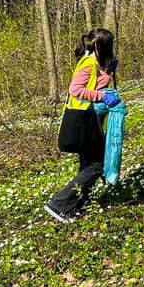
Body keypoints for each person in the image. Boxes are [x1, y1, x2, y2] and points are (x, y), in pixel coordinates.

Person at [45, 28, 120, 222]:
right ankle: (59, 204)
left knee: (87, 165)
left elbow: (94, 83)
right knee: (97, 165)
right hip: (83, 121)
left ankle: (75, 206)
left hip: (89, 120)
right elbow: (75, 89)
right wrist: (102, 96)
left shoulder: (94, 61)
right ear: (101, 46)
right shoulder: (88, 64)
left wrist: (108, 70)